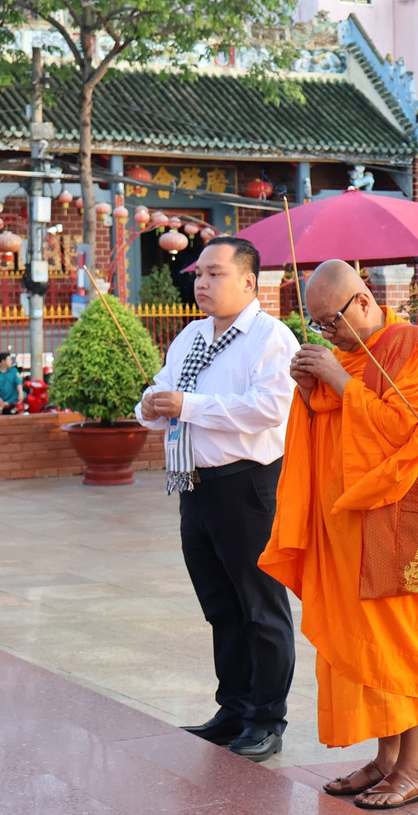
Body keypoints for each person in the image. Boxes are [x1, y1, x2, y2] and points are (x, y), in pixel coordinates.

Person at [258, 260, 418, 809]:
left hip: (401, 524)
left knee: (406, 646)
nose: (328, 333)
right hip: (346, 527)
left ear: (363, 301)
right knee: (368, 650)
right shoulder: (344, 357)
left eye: (332, 321)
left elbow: (407, 432)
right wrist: (309, 390)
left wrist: (339, 380)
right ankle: (386, 760)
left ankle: (412, 771)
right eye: (318, 324)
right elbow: (332, 429)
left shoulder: (414, 348)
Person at [135, 236, 296, 763]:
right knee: (221, 606)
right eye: (199, 274)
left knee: (260, 607)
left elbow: (267, 409)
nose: (201, 283)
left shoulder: (271, 338)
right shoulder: (191, 336)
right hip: (193, 484)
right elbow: (161, 391)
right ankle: (234, 709)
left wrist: (188, 404)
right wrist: (152, 405)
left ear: (249, 282)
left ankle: (266, 719)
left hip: (247, 484)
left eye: (215, 273)